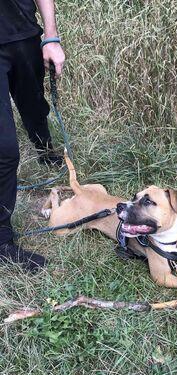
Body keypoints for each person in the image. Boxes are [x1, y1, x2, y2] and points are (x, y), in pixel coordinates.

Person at [0, 0, 65, 272]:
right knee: (5, 151)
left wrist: (51, 37)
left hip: (25, 35)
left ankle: (45, 151)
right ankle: (3, 242)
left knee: (36, 109)